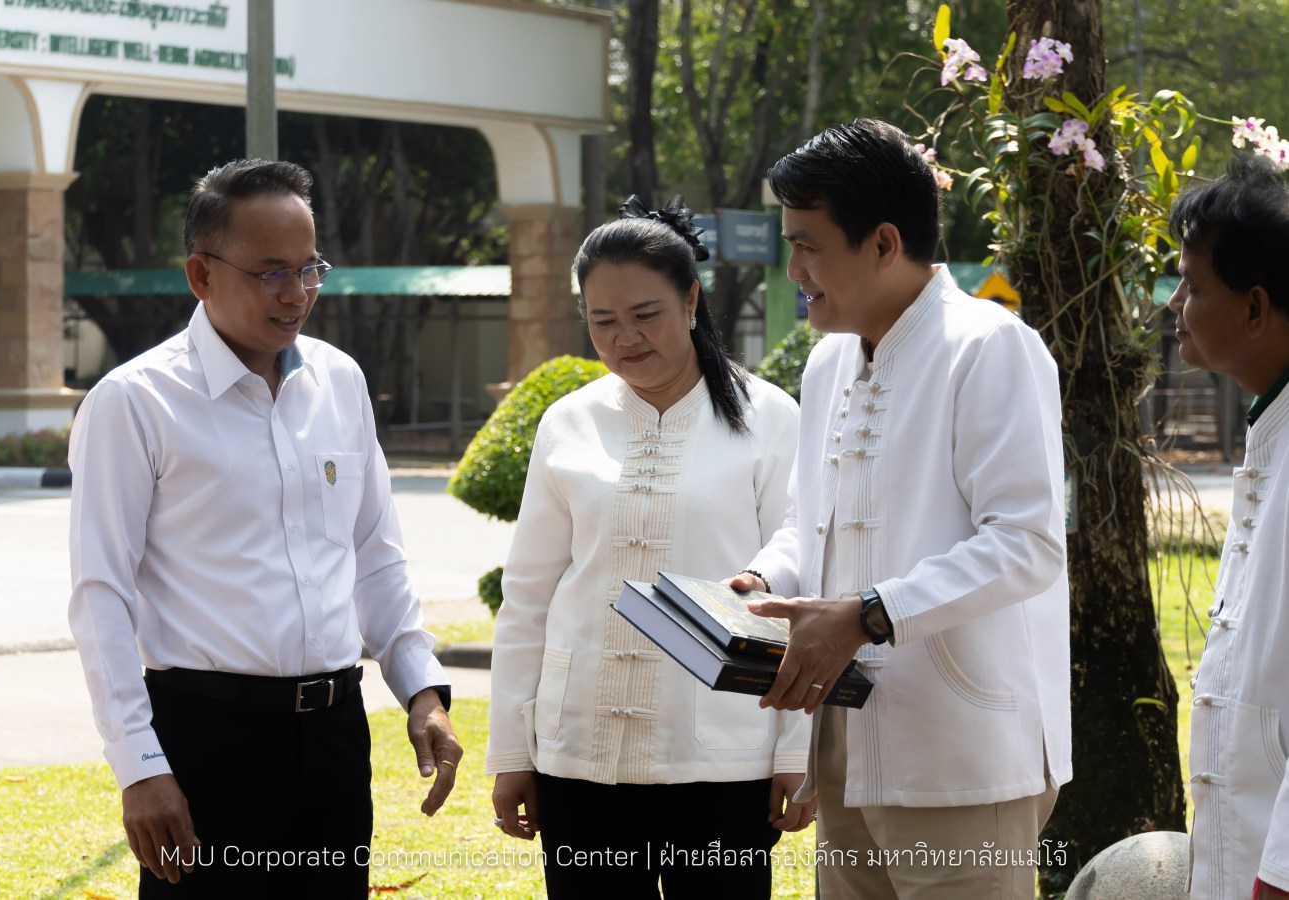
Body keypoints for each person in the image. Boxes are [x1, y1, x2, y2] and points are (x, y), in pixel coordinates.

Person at [68, 159, 461, 898]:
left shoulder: (339, 382)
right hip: (207, 741)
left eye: (310, 268)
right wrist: (142, 769)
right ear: (200, 274)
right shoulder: (134, 403)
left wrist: (421, 693)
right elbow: (101, 598)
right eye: (272, 272)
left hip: (335, 736)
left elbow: (375, 555)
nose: (297, 293)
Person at [730, 119, 1072, 899]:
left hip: (962, 747)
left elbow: (1025, 543)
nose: (795, 270)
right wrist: (754, 581)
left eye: (810, 245)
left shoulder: (989, 345)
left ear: (883, 243)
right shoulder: (826, 363)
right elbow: (805, 521)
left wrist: (871, 613)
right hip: (846, 731)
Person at [486, 196, 811, 898]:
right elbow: (529, 596)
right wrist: (513, 751)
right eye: (603, 321)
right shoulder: (567, 422)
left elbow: (800, 584)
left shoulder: (770, 419)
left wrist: (796, 751)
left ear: (691, 299)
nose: (625, 338)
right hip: (580, 757)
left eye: (645, 315)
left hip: (721, 758)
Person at [1167, 154, 1289, 900]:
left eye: (1193, 286)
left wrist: (1278, 875)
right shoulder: (1269, 429)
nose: (1175, 303)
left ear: (1253, 308)